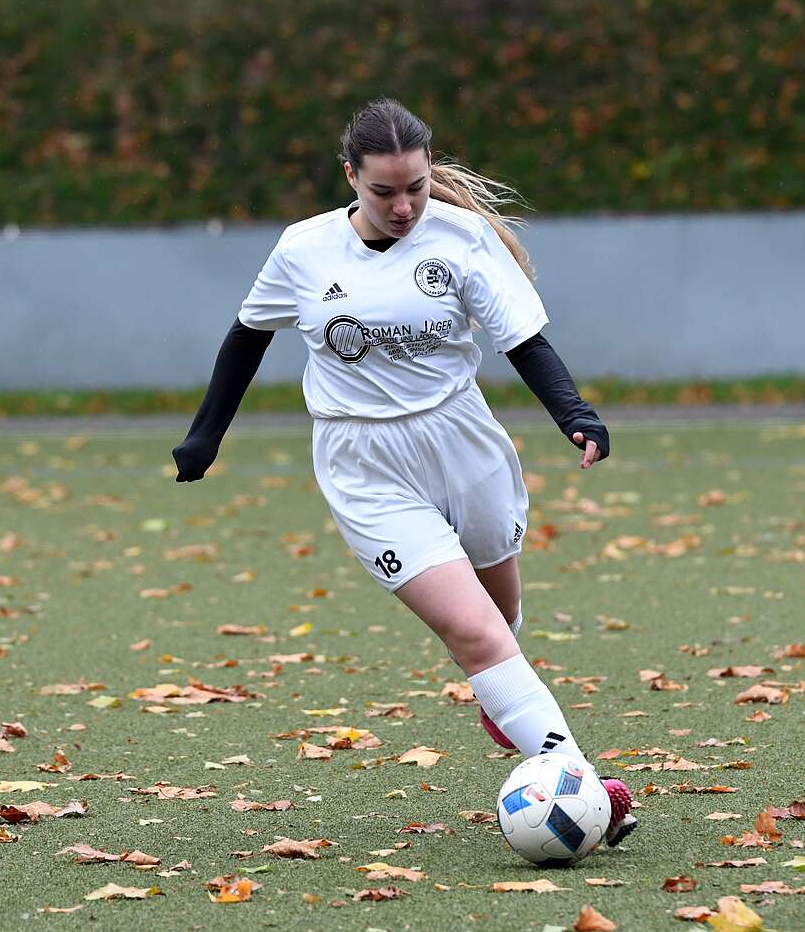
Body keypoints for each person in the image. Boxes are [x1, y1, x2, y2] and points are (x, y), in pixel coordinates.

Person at [172, 97, 636, 848]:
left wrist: (574, 413)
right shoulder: (304, 249)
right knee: (474, 632)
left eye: (415, 188)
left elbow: (523, 340)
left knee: (500, 616)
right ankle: (583, 785)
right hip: (362, 462)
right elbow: (248, 335)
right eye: (383, 191)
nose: (403, 206)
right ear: (349, 177)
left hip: (462, 440)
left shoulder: (462, 237)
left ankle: (504, 693)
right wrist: (205, 436)